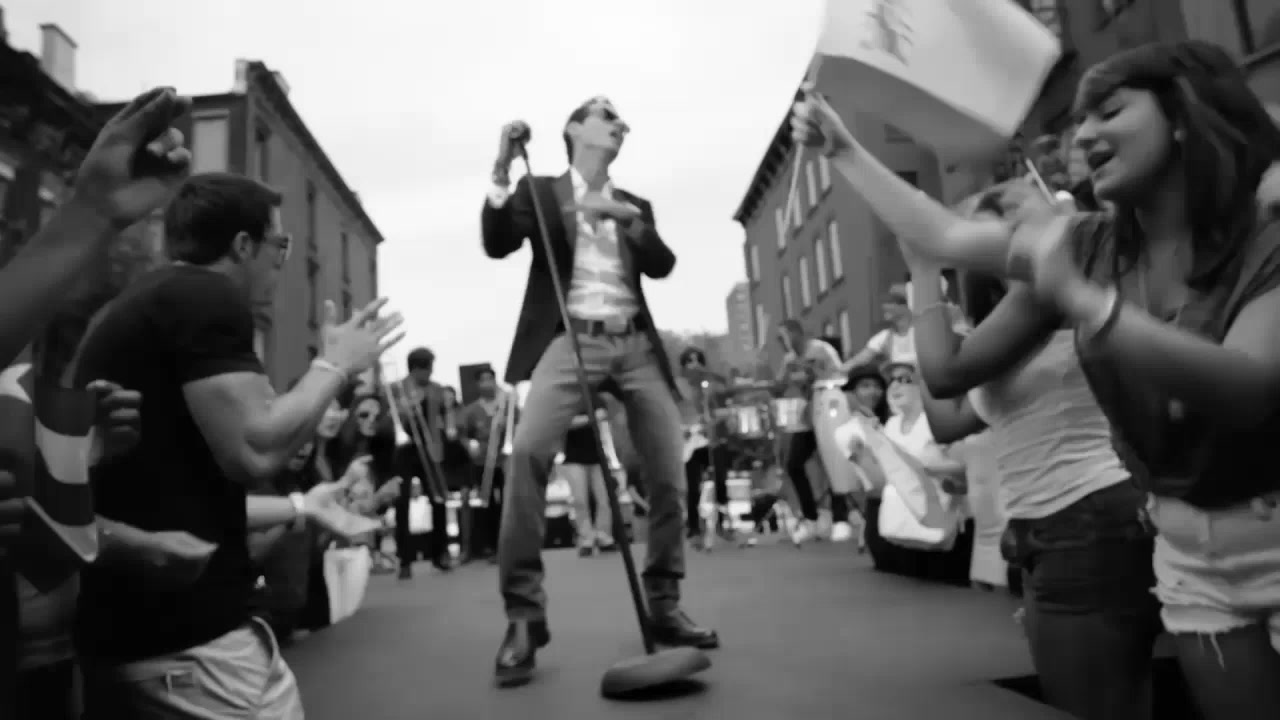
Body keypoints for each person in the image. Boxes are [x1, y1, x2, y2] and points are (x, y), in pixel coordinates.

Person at [793, 39, 1280, 720]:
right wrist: (842, 149)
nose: (1085, 136)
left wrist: (1088, 305)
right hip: (1186, 550)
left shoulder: (1264, 234)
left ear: (1182, 115)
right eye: (1080, 122)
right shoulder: (1090, 246)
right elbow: (944, 236)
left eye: (1110, 112)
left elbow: (1249, 388)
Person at [71, 171, 403, 719]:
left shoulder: (147, 303)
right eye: (280, 244)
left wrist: (302, 505)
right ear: (243, 245)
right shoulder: (204, 295)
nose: (282, 262)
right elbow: (256, 450)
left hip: (131, 638)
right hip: (192, 645)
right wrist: (335, 364)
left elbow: (180, 496)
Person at [482, 95, 718, 687]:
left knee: (668, 471)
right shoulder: (541, 192)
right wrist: (502, 167)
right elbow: (498, 242)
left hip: (635, 343)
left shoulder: (635, 202)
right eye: (607, 116)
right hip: (570, 339)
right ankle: (524, 616)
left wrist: (625, 217)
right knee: (528, 453)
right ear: (574, 129)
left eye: (622, 121)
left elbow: (661, 264)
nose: (621, 125)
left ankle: (663, 603)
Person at [773, 319, 842, 543]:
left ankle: (840, 518)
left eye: (783, 336)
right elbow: (779, 387)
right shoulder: (789, 359)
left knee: (832, 463)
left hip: (827, 411)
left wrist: (815, 374)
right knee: (794, 464)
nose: (782, 342)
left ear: (795, 333)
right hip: (807, 417)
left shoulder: (821, 350)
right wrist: (781, 377)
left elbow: (841, 375)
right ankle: (810, 517)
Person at [391, 347, 452, 578]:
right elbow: (391, 418)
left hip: (430, 449)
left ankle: (441, 553)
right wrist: (405, 409)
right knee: (402, 503)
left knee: (438, 500)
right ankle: (404, 560)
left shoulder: (437, 389)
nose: (430, 373)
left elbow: (445, 417)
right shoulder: (397, 388)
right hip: (405, 450)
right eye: (428, 368)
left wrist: (447, 427)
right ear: (416, 369)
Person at [675, 346, 734, 547]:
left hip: (711, 439)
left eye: (698, 360)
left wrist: (719, 417)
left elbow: (721, 405)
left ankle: (722, 523)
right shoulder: (678, 386)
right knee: (693, 486)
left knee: (721, 480)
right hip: (690, 442)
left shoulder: (710, 385)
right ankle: (693, 527)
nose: (694, 365)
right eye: (690, 361)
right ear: (683, 365)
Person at [458, 367, 515, 561]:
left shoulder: (506, 405)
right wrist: (469, 445)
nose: (487, 383)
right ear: (477, 384)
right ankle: (490, 546)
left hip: (505, 460)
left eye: (490, 379)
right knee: (487, 504)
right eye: (483, 380)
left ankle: (509, 545)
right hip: (483, 462)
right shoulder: (471, 410)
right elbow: (463, 435)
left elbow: (519, 426)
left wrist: (507, 425)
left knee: (507, 503)